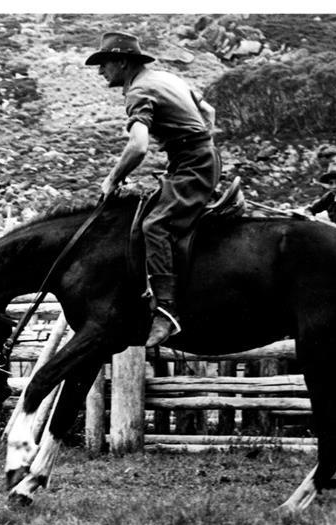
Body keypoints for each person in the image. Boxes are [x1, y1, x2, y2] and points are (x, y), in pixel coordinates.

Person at [85, 31, 222, 347]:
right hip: (198, 158)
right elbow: (210, 112)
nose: (100, 71)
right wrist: (202, 143)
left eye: (104, 63)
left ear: (121, 62)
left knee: (154, 225)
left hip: (192, 163)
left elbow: (138, 147)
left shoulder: (139, 91)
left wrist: (112, 179)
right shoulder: (166, 78)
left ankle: (165, 310)